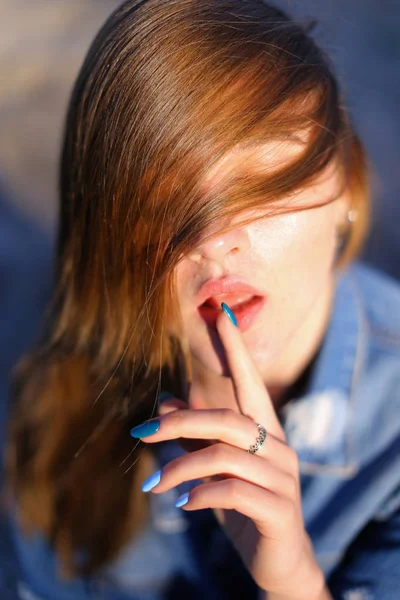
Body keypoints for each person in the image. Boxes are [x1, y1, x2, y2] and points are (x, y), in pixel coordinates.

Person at [4, 1, 400, 598]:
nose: (214, 242)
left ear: (345, 181)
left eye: (261, 188)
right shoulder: (53, 368)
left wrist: (294, 582)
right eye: (166, 199)